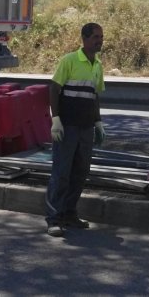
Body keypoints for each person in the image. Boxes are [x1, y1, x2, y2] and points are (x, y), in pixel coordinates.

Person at [45, 22, 106, 237]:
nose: (100, 41)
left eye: (101, 37)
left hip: (86, 128)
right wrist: (56, 120)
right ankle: (54, 218)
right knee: (61, 173)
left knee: (80, 173)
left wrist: (98, 123)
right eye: (96, 37)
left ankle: (69, 214)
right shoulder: (69, 60)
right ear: (84, 39)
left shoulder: (98, 65)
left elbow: (94, 96)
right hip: (67, 127)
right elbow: (54, 89)